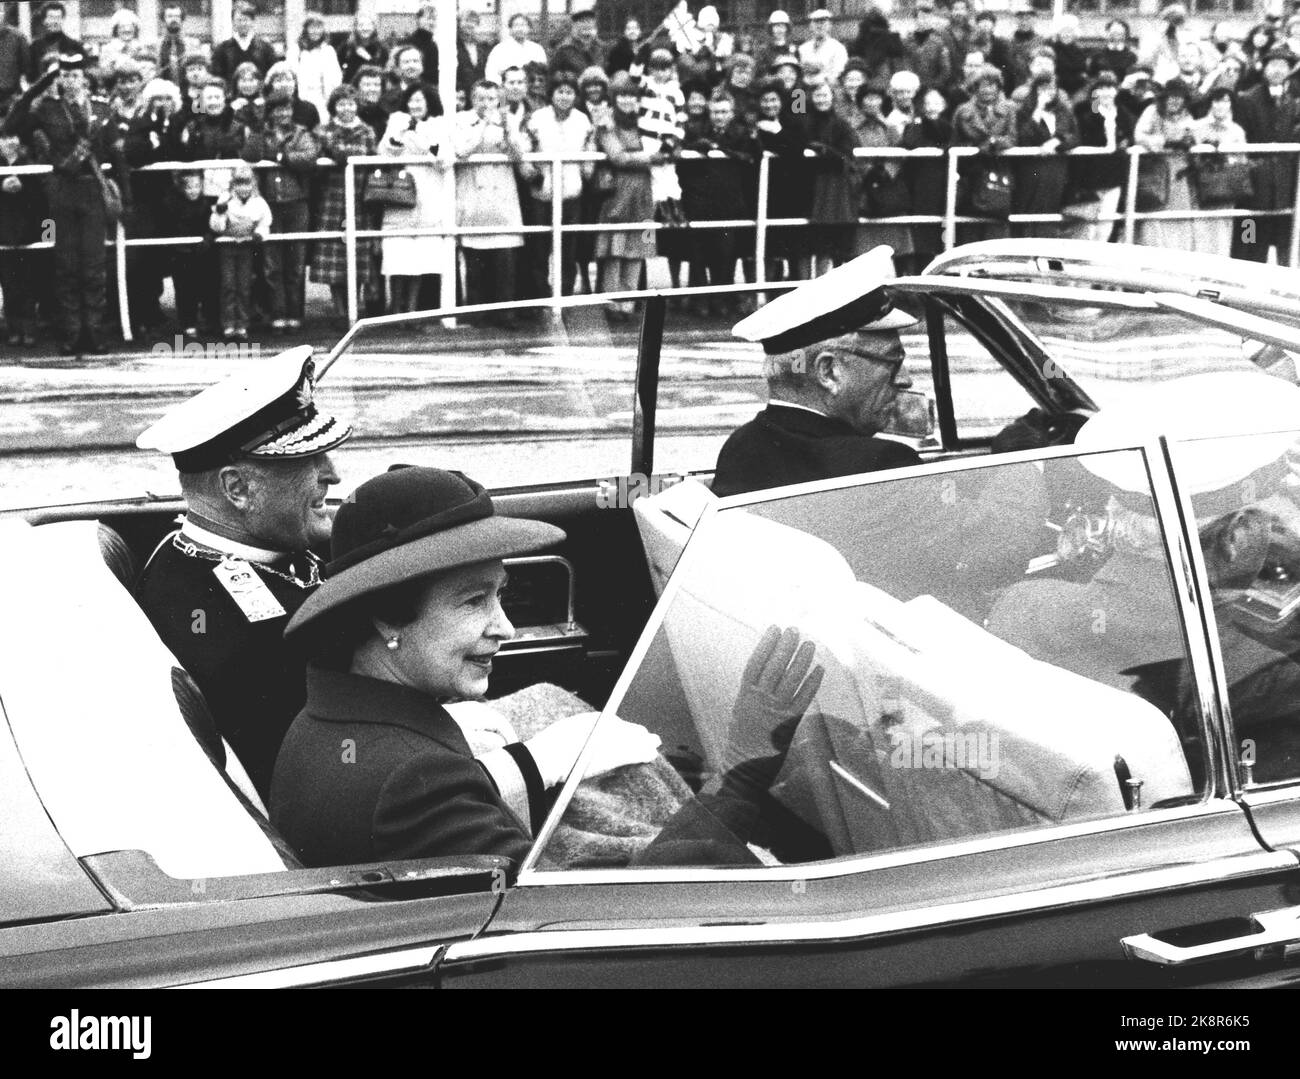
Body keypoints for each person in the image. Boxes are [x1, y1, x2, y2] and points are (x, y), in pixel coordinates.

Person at [269, 465, 660, 867]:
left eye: (500, 594)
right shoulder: (415, 787)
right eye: (474, 601)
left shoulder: (334, 715)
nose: (505, 628)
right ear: (388, 618)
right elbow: (551, 908)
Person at [134, 345, 352, 800]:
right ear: (237, 488)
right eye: (307, 459)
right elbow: (331, 776)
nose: (331, 474)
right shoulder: (240, 639)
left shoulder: (222, 550)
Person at [713, 247, 920, 498]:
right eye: (893, 361)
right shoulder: (884, 464)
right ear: (829, 372)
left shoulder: (741, 444)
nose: (905, 379)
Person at [4, 54, 131, 356]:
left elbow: (119, 158)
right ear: (59, 79)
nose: (71, 81)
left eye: (76, 75)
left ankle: (95, 334)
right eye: (65, 76)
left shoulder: (100, 109)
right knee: (66, 267)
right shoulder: (47, 109)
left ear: (85, 79)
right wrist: (40, 84)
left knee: (94, 266)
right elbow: (13, 122)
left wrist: (126, 197)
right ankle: (72, 334)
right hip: (62, 192)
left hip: (92, 191)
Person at [242, 92, 320, 332]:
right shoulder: (262, 132)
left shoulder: (300, 133)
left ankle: (295, 315)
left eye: (287, 109)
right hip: (270, 205)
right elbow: (251, 156)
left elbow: (308, 157)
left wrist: (279, 156)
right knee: (272, 264)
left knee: (295, 263)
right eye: (278, 109)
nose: (283, 114)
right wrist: (256, 129)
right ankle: (278, 314)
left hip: (297, 204)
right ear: (271, 111)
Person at [593, 71, 662, 320]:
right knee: (615, 250)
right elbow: (617, 156)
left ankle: (628, 304)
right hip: (618, 193)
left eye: (631, 96)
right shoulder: (606, 121)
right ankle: (612, 304)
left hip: (643, 193)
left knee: (638, 249)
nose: (627, 100)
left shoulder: (646, 122)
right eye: (621, 95)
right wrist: (651, 158)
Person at [454, 80, 526, 317]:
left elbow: (518, 155)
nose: (487, 103)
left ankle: (505, 313)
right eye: (481, 98)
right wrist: (484, 124)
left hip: (502, 201)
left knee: (504, 262)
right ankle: (478, 314)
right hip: (474, 200)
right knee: (475, 262)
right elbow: (462, 151)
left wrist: (507, 130)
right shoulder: (461, 121)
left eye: (492, 99)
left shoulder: (509, 120)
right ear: (473, 99)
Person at [519, 72, 594, 300]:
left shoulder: (582, 120)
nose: (564, 96)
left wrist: (588, 167)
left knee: (568, 252)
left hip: (572, 193)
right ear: (551, 94)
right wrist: (532, 172)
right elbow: (524, 150)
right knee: (540, 250)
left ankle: (565, 297)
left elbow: (589, 151)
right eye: (560, 91)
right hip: (542, 195)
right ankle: (542, 298)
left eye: (569, 92)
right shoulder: (537, 118)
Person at [378, 83, 448, 315]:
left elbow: (442, 156)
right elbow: (385, 151)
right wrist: (400, 133)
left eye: (420, 100)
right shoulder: (397, 119)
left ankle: (413, 310)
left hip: (429, 192)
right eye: (411, 100)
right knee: (399, 255)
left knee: (421, 258)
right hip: (400, 191)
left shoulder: (439, 123)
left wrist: (417, 131)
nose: (415, 105)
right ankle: (396, 308)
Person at [312, 84, 376, 321]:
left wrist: (336, 151)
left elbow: (364, 153)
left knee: (358, 253)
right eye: (341, 103)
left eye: (350, 103)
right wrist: (339, 151)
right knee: (334, 255)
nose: (346, 108)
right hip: (332, 198)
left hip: (359, 197)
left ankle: (354, 306)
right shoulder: (323, 129)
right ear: (333, 106)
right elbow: (322, 151)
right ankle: (338, 308)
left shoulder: (366, 130)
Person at [1233, 47, 1298, 265]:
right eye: (1273, 65)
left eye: (1283, 66)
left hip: (1283, 186)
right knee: (1248, 237)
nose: (1277, 70)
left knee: (1284, 240)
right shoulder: (1247, 99)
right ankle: (1241, 285)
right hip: (1252, 186)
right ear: (1264, 68)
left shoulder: (1293, 102)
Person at [1134, 78, 1200, 253]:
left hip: (1180, 173)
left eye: (1179, 97)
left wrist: (1191, 139)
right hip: (1157, 171)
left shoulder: (1187, 116)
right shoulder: (1152, 111)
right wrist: (1160, 141)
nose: (1175, 100)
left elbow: (1193, 135)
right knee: (1155, 217)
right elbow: (1139, 135)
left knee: (1179, 218)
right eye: (1172, 96)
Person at [1068, 72, 1135, 243]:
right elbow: (1086, 130)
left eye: (1110, 88)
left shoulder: (1123, 113)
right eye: (1102, 88)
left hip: (1114, 176)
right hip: (1092, 176)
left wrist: (1121, 141)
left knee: (1107, 220)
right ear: (1095, 92)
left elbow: (1129, 136)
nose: (1106, 92)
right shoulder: (1091, 110)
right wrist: (1105, 124)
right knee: (1089, 223)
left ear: (1116, 91)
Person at [209, 161, 272, 340]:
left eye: (247, 183)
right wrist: (220, 213)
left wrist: (259, 235)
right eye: (239, 183)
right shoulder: (225, 199)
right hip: (227, 247)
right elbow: (216, 227)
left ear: (253, 183)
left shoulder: (259, 203)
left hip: (246, 247)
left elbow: (265, 223)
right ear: (233, 184)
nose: (243, 188)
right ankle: (228, 324)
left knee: (244, 286)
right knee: (228, 285)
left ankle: (242, 324)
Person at [1190, 86, 1247, 256]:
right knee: (1199, 229)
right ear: (1210, 103)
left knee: (1223, 229)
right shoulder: (1196, 127)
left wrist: (1225, 161)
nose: (1220, 106)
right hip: (1200, 187)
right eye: (1216, 101)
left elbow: (1241, 160)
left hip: (1226, 188)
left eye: (1225, 101)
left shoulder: (1237, 131)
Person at [210, 1, 277, 84]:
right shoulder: (222, 49)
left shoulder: (266, 48)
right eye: (239, 20)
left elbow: (271, 77)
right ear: (233, 22)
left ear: (253, 22)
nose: (243, 24)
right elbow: (217, 77)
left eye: (246, 20)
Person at [294, 13, 343, 121]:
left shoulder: (328, 50)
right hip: (303, 98)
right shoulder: (296, 50)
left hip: (323, 98)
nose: (315, 31)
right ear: (306, 29)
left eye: (318, 27)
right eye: (312, 27)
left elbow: (336, 78)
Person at [486, 14, 547, 88]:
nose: (520, 29)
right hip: (508, 91)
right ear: (510, 29)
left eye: (523, 25)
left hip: (532, 90)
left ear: (529, 28)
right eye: (516, 25)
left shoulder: (537, 49)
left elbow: (543, 72)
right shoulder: (499, 49)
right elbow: (491, 73)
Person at [157, 3, 201, 97]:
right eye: (170, 16)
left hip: (190, 95)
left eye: (177, 16)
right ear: (163, 20)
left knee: (198, 111)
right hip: (163, 95)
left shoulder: (194, 44)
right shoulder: (156, 45)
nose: (174, 19)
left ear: (182, 19)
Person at [29, 2, 80, 83]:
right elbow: (29, 75)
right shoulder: (34, 47)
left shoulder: (75, 45)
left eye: (58, 17)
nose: (55, 21)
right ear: (44, 20)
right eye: (51, 17)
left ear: (63, 20)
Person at [552, 7, 607, 78]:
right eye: (582, 20)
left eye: (589, 19)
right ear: (574, 25)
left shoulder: (600, 47)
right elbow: (552, 75)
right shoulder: (564, 50)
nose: (586, 23)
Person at [336, 12, 388, 86]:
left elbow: (383, 72)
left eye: (369, 25)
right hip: (351, 90)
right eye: (361, 25)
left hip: (373, 89)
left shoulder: (381, 48)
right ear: (355, 28)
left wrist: (369, 59)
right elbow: (336, 70)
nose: (365, 28)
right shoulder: (346, 47)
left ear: (374, 27)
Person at [799, 9, 848, 84]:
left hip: (827, 90)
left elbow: (839, 74)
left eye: (823, 22)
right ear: (810, 26)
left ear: (830, 25)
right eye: (816, 22)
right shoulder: (803, 48)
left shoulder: (838, 48)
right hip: (805, 90)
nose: (819, 26)